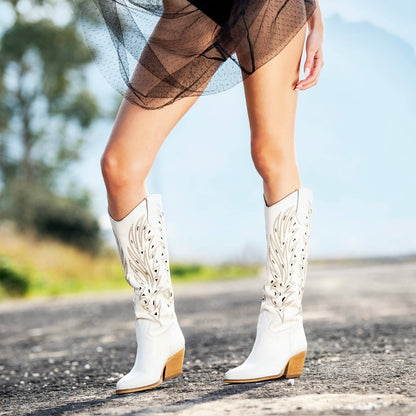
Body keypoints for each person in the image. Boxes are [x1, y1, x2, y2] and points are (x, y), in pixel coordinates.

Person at [89, 0, 324, 394]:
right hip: (192, 7)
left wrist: (315, 15)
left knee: (271, 153)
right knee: (119, 166)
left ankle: (283, 327)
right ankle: (157, 332)